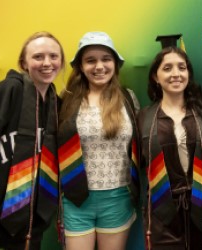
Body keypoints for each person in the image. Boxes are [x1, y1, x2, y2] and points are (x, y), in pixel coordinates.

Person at [0, 31, 65, 250]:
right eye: (38, 57)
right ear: (23, 62)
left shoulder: (56, 106)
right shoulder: (7, 92)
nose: (47, 63)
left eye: (53, 56)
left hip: (31, 227)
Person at [57, 31, 140, 250]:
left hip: (118, 196)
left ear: (115, 63)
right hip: (75, 198)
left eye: (106, 59)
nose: (99, 66)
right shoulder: (65, 100)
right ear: (81, 66)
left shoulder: (129, 98)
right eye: (90, 60)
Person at [137, 35, 202, 250]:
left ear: (188, 73)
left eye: (181, 67)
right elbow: (134, 163)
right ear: (156, 76)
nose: (176, 74)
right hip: (162, 209)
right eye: (167, 68)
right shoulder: (144, 118)